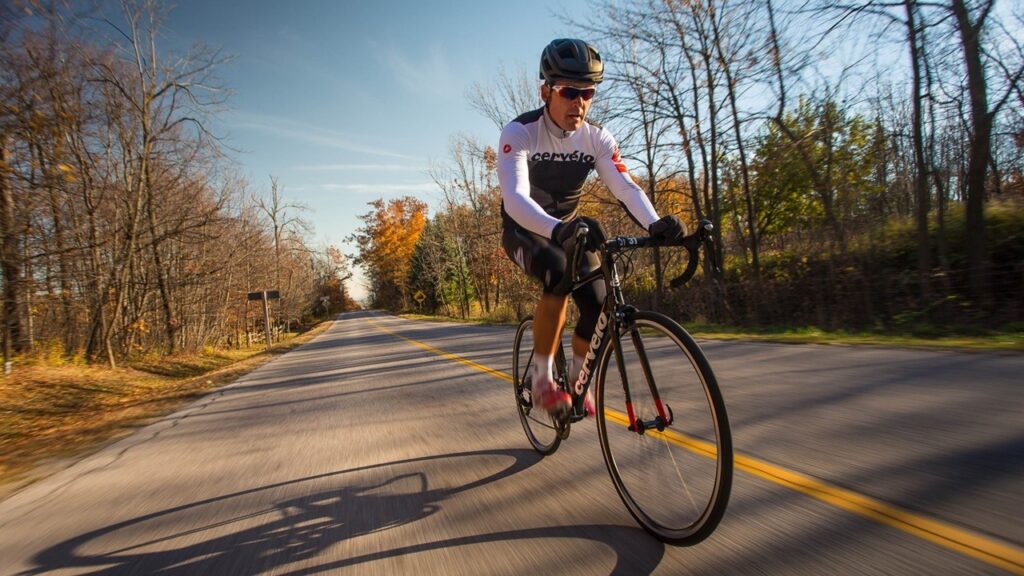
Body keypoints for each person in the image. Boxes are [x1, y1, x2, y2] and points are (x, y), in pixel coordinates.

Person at [498, 38, 685, 416]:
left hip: (569, 231)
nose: (578, 102)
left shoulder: (597, 139)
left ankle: (578, 377)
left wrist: (655, 223)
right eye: (569, 91)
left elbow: (625, 187)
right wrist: (558, 230)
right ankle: (541, 379)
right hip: (523, 229)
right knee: (556, 272)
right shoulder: (519, 133)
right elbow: (515, 199)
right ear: (546, 91)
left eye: (588, 92)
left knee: (600, 302)